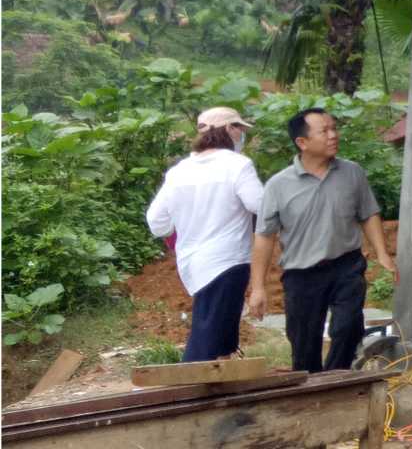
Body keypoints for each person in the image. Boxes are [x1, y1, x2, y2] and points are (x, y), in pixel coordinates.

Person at [250, 108, 398, 372]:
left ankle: (336, 379)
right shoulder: (278, 185)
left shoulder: (352, 173)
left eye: (334, 128)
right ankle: (310, 390)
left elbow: (368, 214)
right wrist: (258, 287)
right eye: (324, 131)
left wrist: (382, 253)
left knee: (349, 327)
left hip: (346, 265)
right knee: (304, 341)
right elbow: (264, 237)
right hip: (301, 273)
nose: (333, 136)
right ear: (302, 142)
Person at [147, 107, 264, 362]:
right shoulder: (238, 165)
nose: (242, 135)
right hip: (229, 260)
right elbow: (259, 205)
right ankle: (190, 390)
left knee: (220, 336)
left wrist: (183, 228)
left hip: (193, 264)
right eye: (240, 129)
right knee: (209, 339)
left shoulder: (180, 171)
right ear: (230, 130)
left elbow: (157, 222)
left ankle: (220, 391)